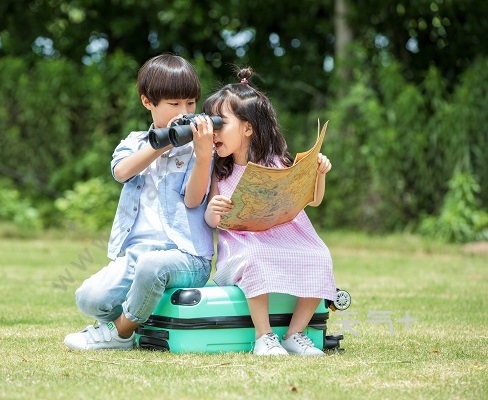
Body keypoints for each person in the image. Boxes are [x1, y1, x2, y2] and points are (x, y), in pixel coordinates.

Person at [64, 54, 214, 351]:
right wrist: (165, 141)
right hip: (137, 253)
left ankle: (120, 334)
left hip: (188, 257)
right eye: (174, 105)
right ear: (148, 102)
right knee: (88, 297)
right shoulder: (134, 142)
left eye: (191, 103)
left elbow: (195, 198)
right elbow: (121, 172)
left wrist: (203, 155)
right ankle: (140, 317)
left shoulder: (200, 149)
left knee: (151, 266)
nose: (184, 112)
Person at [203, 67, 336, 356]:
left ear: (248, 127)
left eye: (220, 124)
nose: (213, 132)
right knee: (256, 257)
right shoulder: (219, 170)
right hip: (242, 244)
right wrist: (214, 210)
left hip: (283, 235)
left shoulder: (276, 162)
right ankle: (264, 336)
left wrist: (319, 173)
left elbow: (311, 200)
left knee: (320, 255)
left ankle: (295, 333)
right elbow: (213, 220)